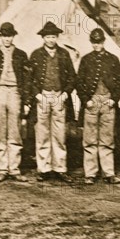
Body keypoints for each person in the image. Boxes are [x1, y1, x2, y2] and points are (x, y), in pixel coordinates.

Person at [29, 21, 76, 183]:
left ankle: (60, 168)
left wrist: (65, 94)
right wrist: (37, 95)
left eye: (53, 37)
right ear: (43, 38)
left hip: (58, 96)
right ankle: (44, 168)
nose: (50, 39)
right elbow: (30, 79)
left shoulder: (64, 54)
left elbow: (72, 77)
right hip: (43, 96)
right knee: (42, 133)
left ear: (57, 37)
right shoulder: (36, 55)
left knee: (59, 134)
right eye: (48, 36)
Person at [76, 28, 120, 185]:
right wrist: (86, 100)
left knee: (107, 139)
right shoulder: (86, 60)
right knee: (90, 139)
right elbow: (79, 82)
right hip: (92, 102)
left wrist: (114, 100)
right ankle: (90, 173)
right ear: (91, 42)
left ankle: (108, 173)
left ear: (104, 42)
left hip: (107, 101)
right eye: (94, 42)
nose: (96, 45)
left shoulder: (113, 60)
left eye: (99, 42)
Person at [0, 22, 31, 182]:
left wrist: (26, 101)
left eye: (9, 36)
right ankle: (1, 168)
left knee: (15, 131)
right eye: (4, 36)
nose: (7, 39)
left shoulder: (21, 54)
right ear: (0, 36)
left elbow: (26, 80)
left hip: (15, 92)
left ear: (13, 36)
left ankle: (14, 167)